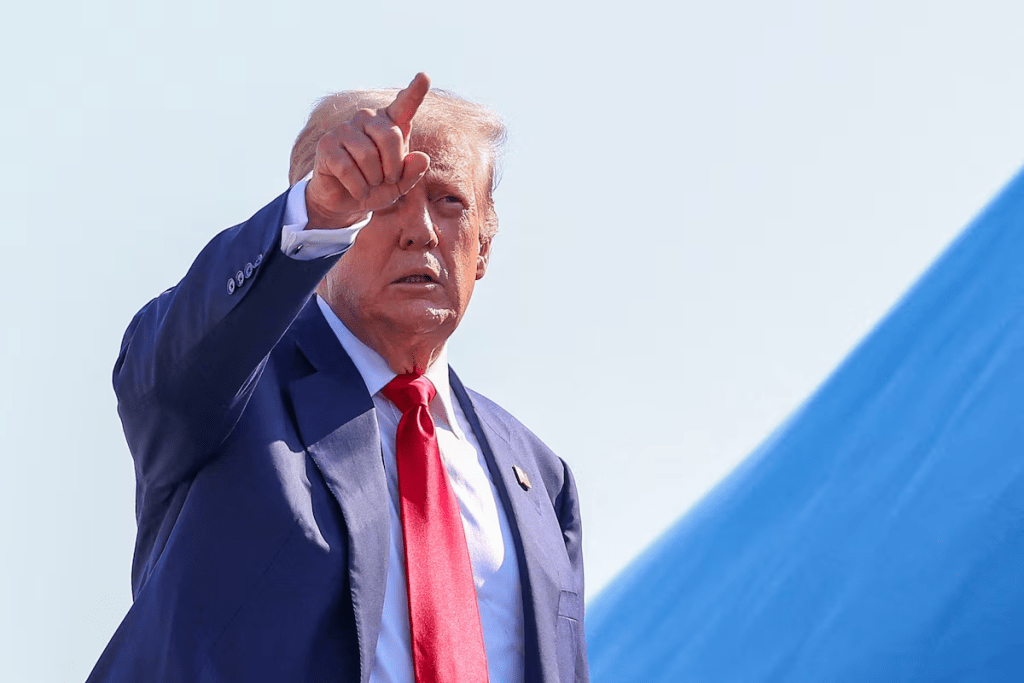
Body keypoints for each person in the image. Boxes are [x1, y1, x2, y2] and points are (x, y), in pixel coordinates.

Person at [87, 73, 588, 683]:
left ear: (484, 244)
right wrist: (316, 212)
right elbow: (163, 370)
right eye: (384, 199)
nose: (420, 229)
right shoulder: (235, 395)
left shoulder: (541, 477)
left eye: (449, 200)